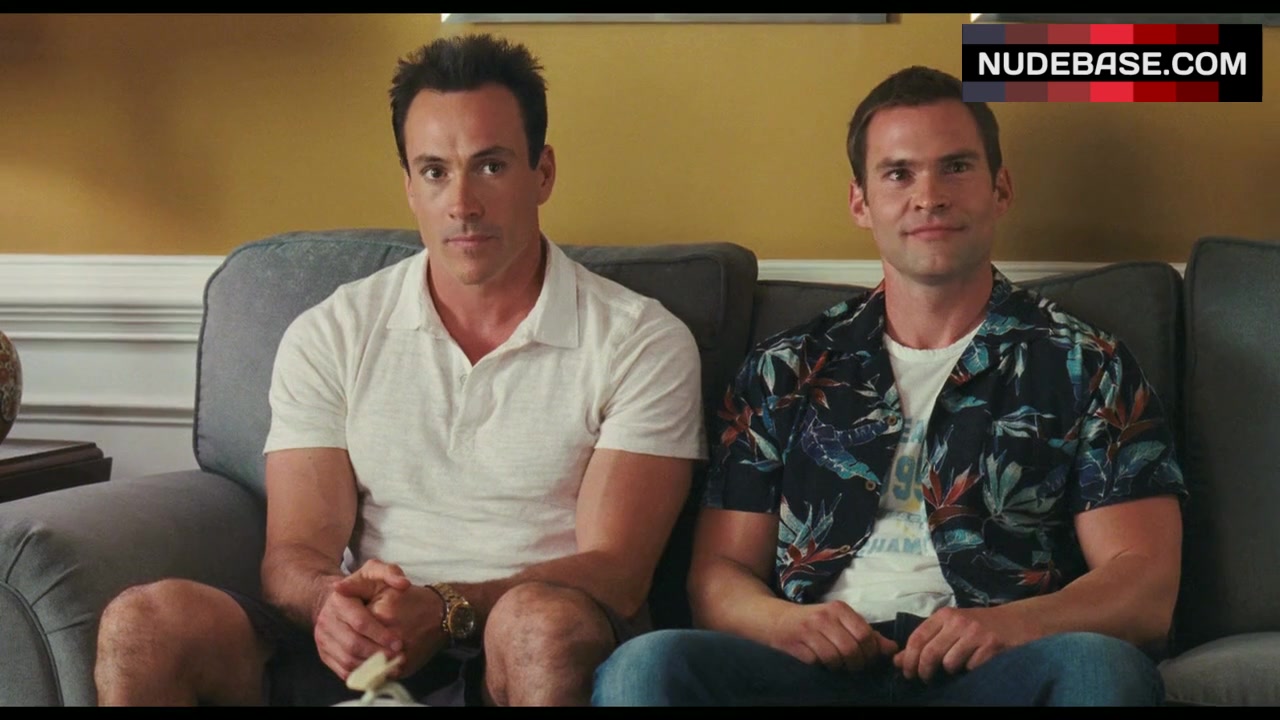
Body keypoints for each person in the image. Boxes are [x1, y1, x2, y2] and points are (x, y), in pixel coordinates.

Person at [93, 33, 706, 707]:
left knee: (539, 626)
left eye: (491, 166)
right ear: (409, 186)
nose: (462, 203)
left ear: (544, 172)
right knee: (141, 627)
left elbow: (618, 573)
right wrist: (328, 603)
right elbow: (294, 553)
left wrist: (447, 607)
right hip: (368, 644)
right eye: (435, 171)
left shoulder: (639, 340)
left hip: (522, 643)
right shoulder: (333, 331)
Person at [592, 65, 1188, 706]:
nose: (929, 196)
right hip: (810, 672)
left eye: (955, 167)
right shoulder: (785, 368)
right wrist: (784, 624)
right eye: (899, 173)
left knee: (1099, 668)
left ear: (1001, 188)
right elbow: (719, 573)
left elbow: (1144, 586)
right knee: (646, 665)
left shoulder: (1085, 364)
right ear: (861, 202)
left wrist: (1012, 626)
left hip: (996, 669)